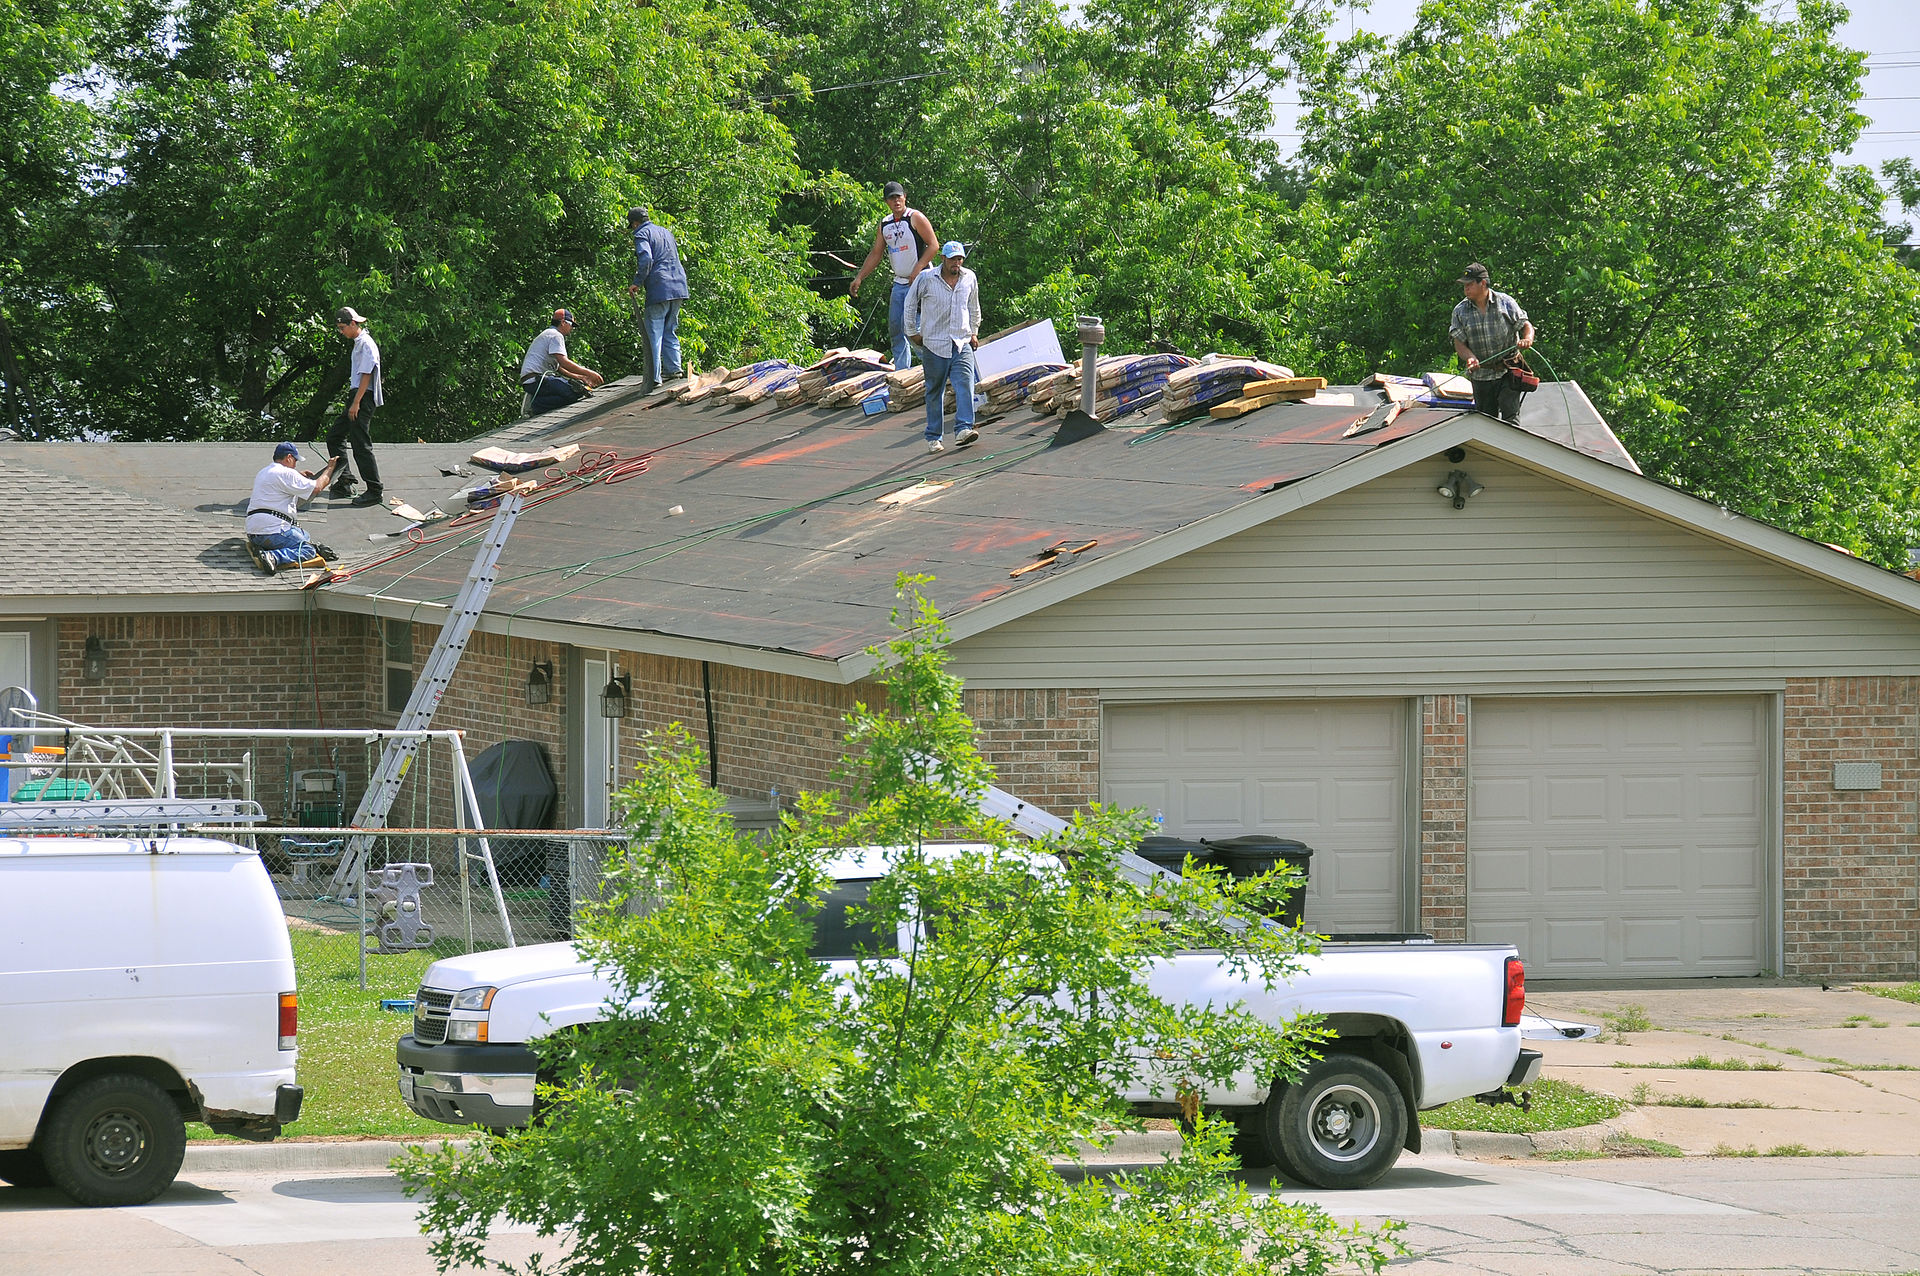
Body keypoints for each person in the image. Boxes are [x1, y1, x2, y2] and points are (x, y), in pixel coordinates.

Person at [850, 181, 939, 372]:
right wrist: (859, 277)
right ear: (886, 201)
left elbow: (933, 245)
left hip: (921, 279)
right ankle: (901, 372)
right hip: (900, 283)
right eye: (892, 198)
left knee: (914, 327)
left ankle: (933, 367)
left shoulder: (915, 217)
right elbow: (876, 253)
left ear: (905, 197)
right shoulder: (885, 223)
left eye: (899, 196)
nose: (896, 200)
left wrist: (917, 269)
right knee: (896, 329)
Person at [904, 240, 982, 454]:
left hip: (961, 341)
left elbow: (973, 307)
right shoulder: (927, 279)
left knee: (965, 384)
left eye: (960, 259)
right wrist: (912, 332)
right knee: (935, 390)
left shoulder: (969, 278)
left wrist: (974, 332)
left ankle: (964, 428)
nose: (957, 263)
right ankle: (933, 436)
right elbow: (910, 304)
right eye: (953, 259)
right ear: (943, 259)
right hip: (935, 343)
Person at [1448, 262, 1535, 422]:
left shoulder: (1506, 303)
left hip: (1508, 370)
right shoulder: (1460, 311)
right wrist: (1470, 357)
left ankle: (1512, 446)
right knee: (1486, 422)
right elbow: (1459, 342)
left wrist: (1527, 339)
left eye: (1470, 284)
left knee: (1511, 417)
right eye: (1464, 285)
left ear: (1483, 283)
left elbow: (1526, 325)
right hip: (1481, 376)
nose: (1466, 288)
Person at [245, 443, 341, 574]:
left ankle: (265, 549)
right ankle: (273, 557)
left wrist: (298, 477)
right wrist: (330, 468)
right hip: (273, 532)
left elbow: (279, 486)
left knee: (303, 534)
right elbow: (317, 487)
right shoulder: (287, 473)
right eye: (295, 460)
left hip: (255, 534)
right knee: (308, 549)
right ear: (289, 457)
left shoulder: (264, 472)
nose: (295, 464)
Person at [327, 306, 386, 507]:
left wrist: (356, 402)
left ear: (353, 324)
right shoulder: (358, 343)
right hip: (357, 395)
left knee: (360, 444)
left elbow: (367, 374)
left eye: (343, 327)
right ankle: (345, 480)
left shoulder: (365, 344)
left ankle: (374, 490)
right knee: (335, 436)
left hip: (363, 397)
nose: (341, 332)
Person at [626, 206, 689, 391]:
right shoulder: (665, 232)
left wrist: (637, 282)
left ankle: (654, 378)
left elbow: (646, 259)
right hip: (678, 285)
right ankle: (674, 369)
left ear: (635, 223)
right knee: (671, 329)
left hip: (659, 287)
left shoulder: (641, 234)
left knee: (654, 333)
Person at [519, 309, 604, 417]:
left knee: (575, 390)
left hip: (533, 382)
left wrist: (580, 377)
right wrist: (590, 373)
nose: (572, 328)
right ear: (563, 322)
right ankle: (536, 405)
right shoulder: (555, 335)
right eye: (571, 324)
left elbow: (559, 367)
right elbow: (564, 362)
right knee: (574, 392)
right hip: (536, 380)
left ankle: (538, 401)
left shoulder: (549, 334)